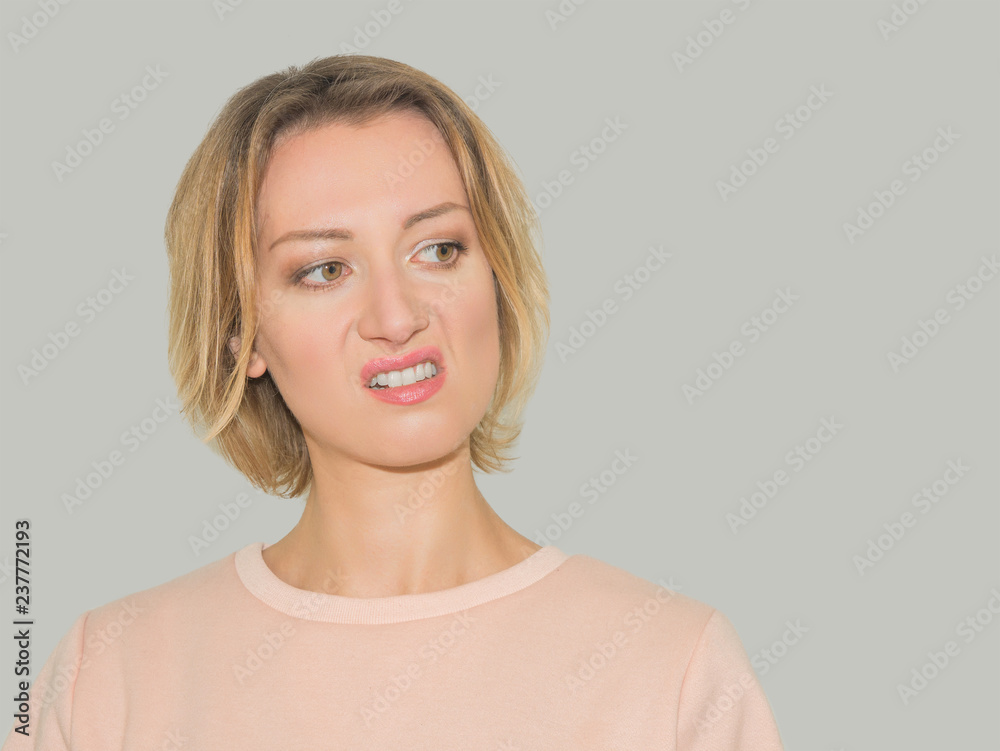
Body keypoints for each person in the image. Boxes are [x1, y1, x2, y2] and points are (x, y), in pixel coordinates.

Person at [2, 54, 784, 750]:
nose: (397, 316)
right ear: (244, 338)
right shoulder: (106, 677)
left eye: (438, 249)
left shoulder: (673, 669)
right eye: (324, 269)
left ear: (495, 277)